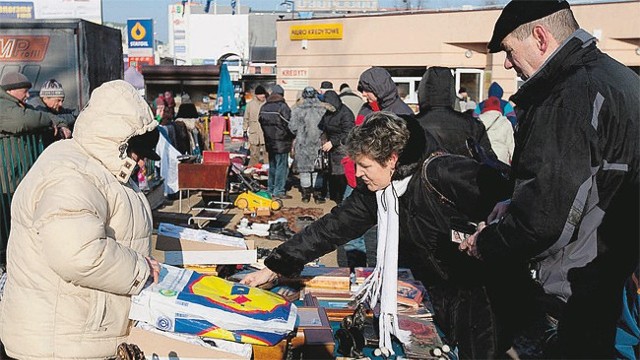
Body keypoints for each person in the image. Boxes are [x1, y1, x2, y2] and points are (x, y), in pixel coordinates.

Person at [242, 111, 518, 358]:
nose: (358, 174)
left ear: (392, 159)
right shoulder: (379, 190)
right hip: (437, 288)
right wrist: (276, 266)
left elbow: (516, 202)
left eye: (365, 166)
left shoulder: (441, 172)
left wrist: (491, 227)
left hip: (482, 292)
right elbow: (332, 227)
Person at [460, 1, 639, 358]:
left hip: (577, 296)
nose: (508, 63)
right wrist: (516, 200)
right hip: (617, 282)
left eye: (510, 50)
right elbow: (591, 183)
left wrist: (487, 243)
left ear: (540, 37)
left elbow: (542, 220)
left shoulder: (569, 95)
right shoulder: (620, 79)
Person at [0, 80, 161, 359]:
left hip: (77, 335)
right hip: (58, 343)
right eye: (140, 153)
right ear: (119, 142)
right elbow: (78, 254)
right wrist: (141, 270)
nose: (142, 163)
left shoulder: (101, 166)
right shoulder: (71, 174)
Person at [415, 66, 495, 158]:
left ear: (422, 91)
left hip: (424, 171)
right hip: (465, 171)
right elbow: (488, 160)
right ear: (451, 91)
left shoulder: (413, 125)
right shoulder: (472, 125)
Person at [0, 72, 70, 138]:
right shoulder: (2, 105)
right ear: (10, 90)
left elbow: (38, 113)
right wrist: (50, 121)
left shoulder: (20, 105)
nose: (28, 95)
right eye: (25, 91)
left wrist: (59, 123)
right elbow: (22, 120)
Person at [289, 86, 327, 204]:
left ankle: (306, 195)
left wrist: (300, 133)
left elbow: (292, 127)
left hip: (303, 143)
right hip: (318, 142)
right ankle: (318, 194)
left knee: (304, 170)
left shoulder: (297, 109)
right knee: (317, 169)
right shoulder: (323, 108)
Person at [319, 90, 354, 204]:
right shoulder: (328, 113)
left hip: (342, 147)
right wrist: (323, 139)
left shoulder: (346, 113)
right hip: (331, 147)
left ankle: (342, 199)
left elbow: (348, 132)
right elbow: (323, 127)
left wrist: (333, 142)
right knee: (331, 174)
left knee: (341, 175)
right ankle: (333, 196)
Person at [259, 85, 294, 200]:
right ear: (282, 95)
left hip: (269, 141)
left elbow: (260, 121)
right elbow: (290, 124)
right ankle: (279, 190)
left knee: (272, 165)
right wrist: (291, 136)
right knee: (281, 166)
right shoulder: (283, 107)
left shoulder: (264, 107)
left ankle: (270, 188)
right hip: (282, 142)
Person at [477, 96, 514, 164]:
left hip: (484, 157)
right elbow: (511, 144)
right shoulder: (505, 122)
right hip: (502, 159)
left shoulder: (478, 121)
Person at [243, 85, 268, 167]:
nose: (262, 96)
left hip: (265, 133)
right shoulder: (250, 105)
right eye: (260, 94)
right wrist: (244, 130)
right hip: (254, 133)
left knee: (267, 154)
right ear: (256, 95)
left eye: (263, 94)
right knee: (253, 155)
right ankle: (251, 173)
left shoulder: (267, 104)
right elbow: (246, 118)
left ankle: (268, 172)